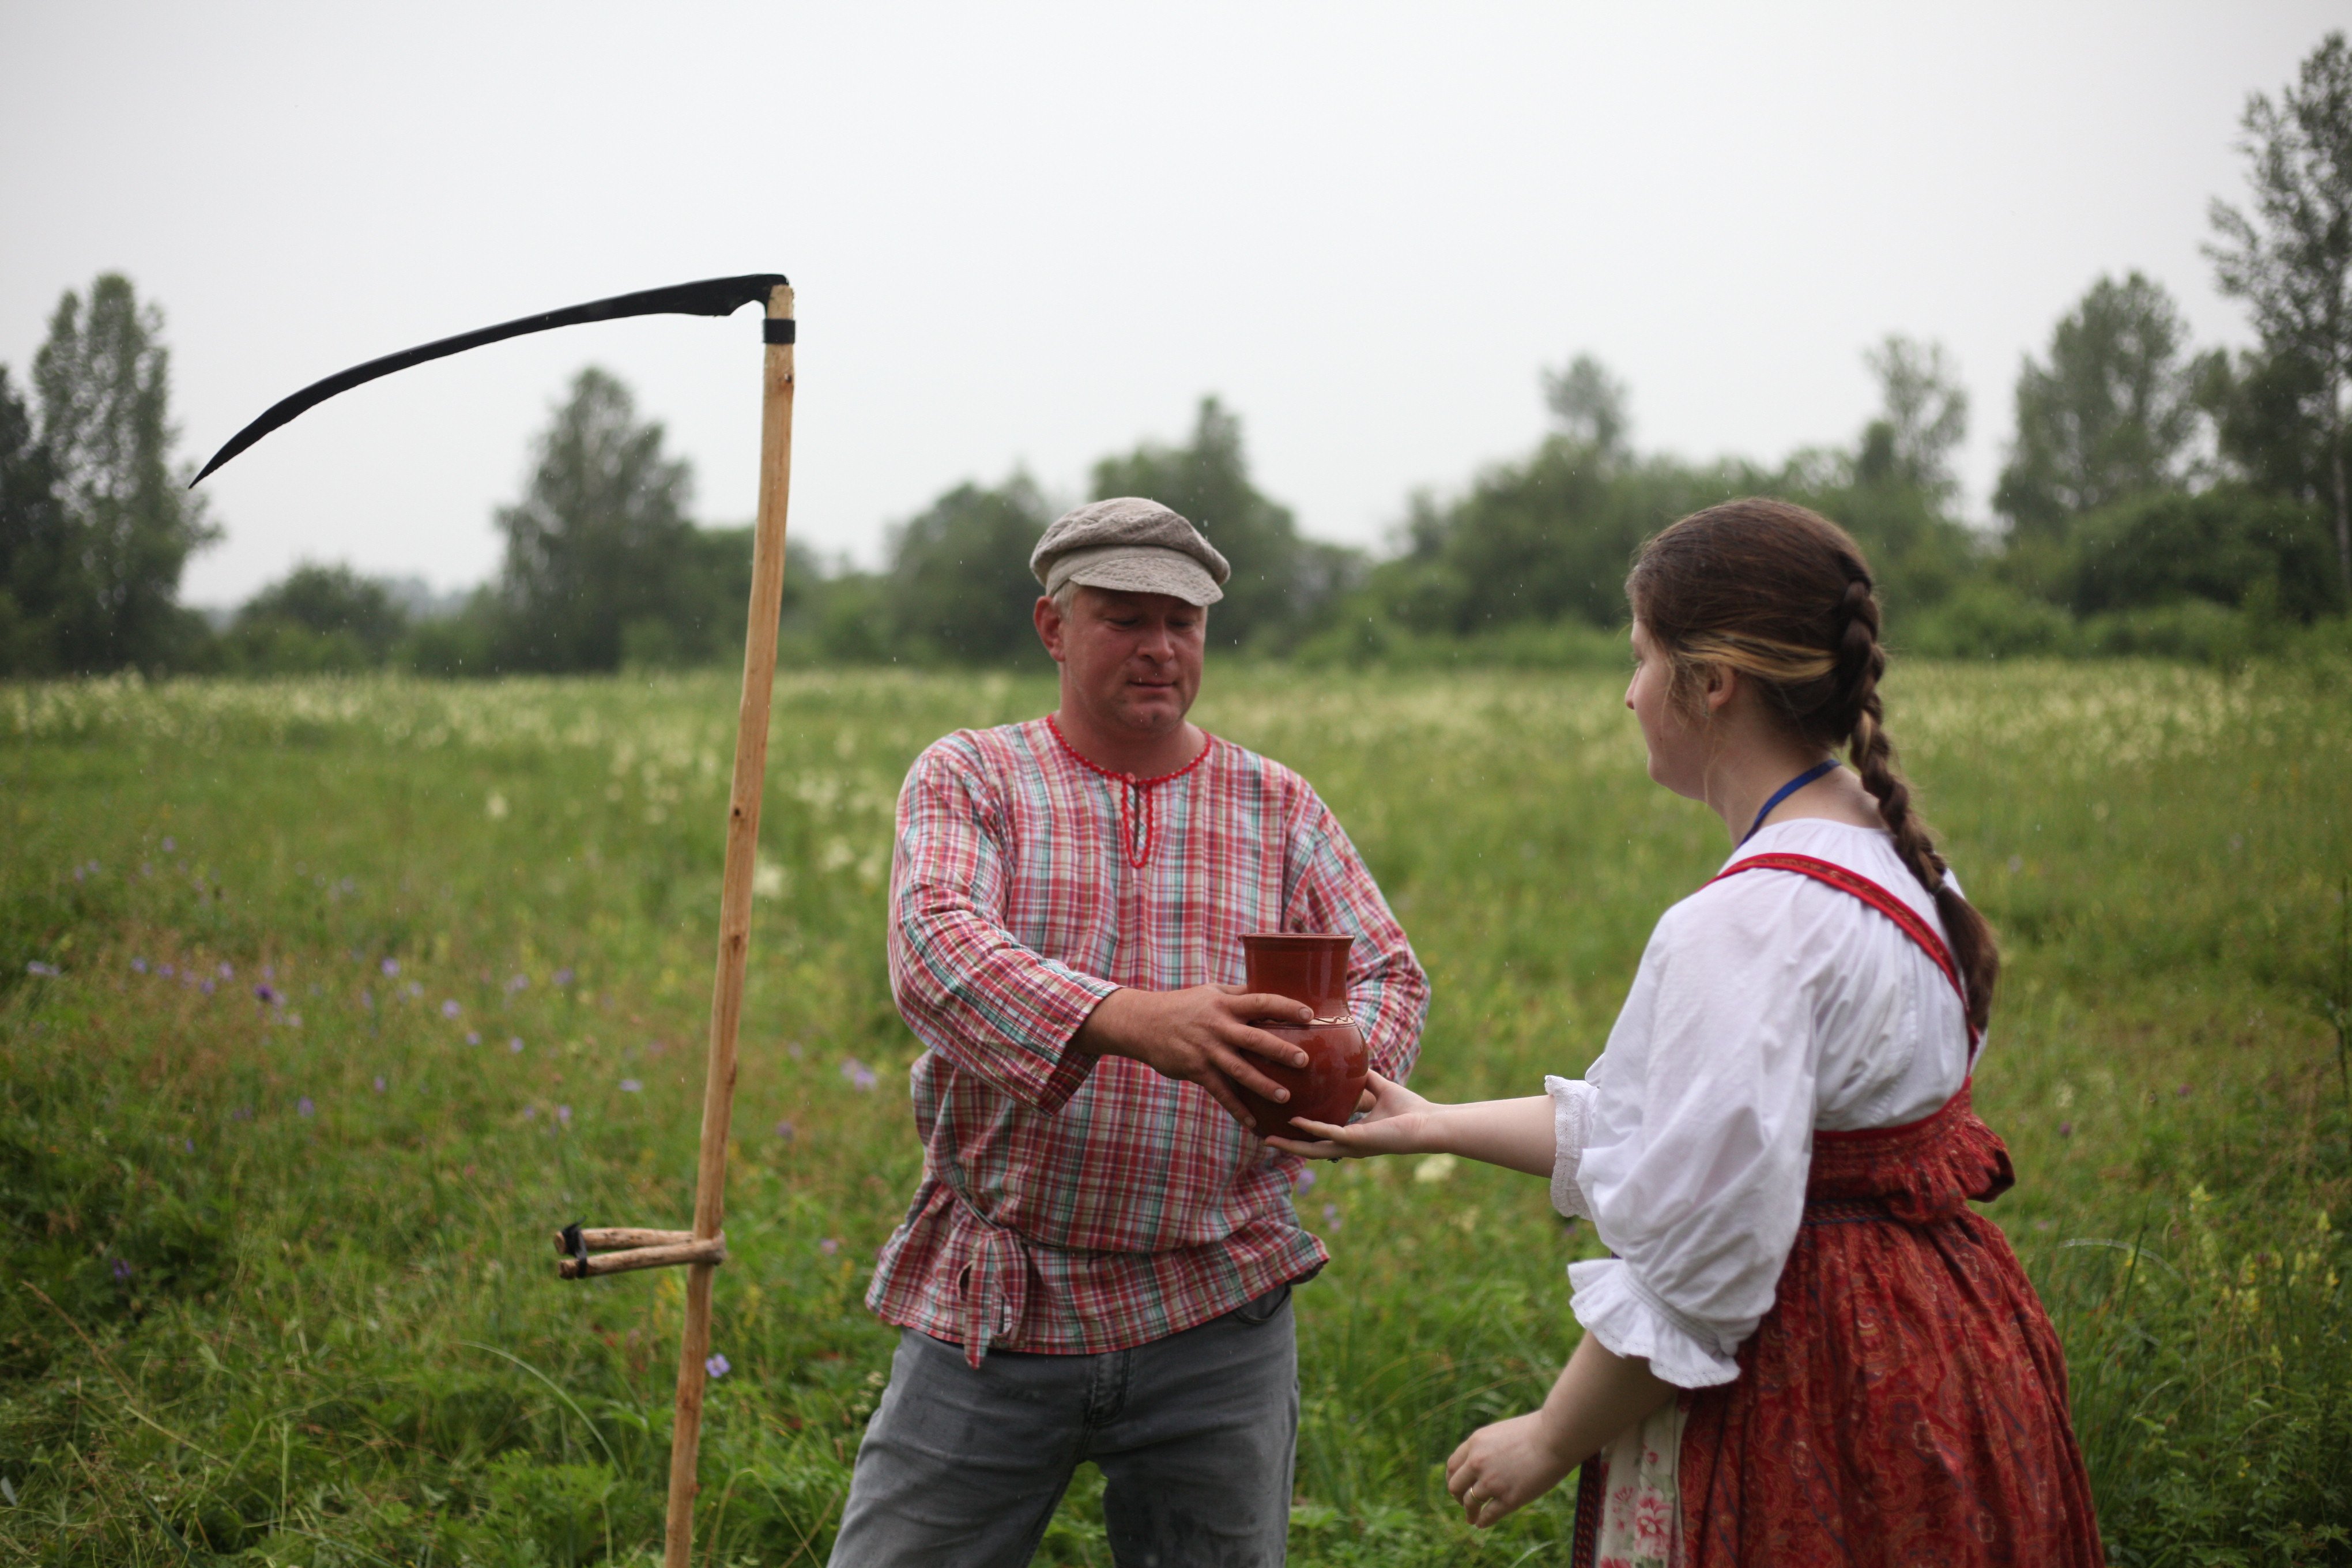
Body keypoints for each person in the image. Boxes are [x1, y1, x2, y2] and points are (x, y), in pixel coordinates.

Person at [1273, 499, 2102, 1566]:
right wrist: (1431, 1123)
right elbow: (1667, 1126)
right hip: (1945, 1345)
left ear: (1712, 685)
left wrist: (1549, 1438)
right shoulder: (1904, 869)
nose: (1628, 694)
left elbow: (1706, 1256)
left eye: (1641, 660)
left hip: (1813, 1382)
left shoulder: (1746, 922)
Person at [828, 497, 1430, 1568]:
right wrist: (1131, 1021)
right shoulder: (975, 776)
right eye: (1123, 618)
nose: (1160, 648)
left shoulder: (1276, 804)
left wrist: (1327, 1079)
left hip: (1218, 1307)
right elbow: (935, 952)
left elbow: (1386, 974)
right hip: (1000, 1305)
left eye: (1182, 623)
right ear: (1052, 628)